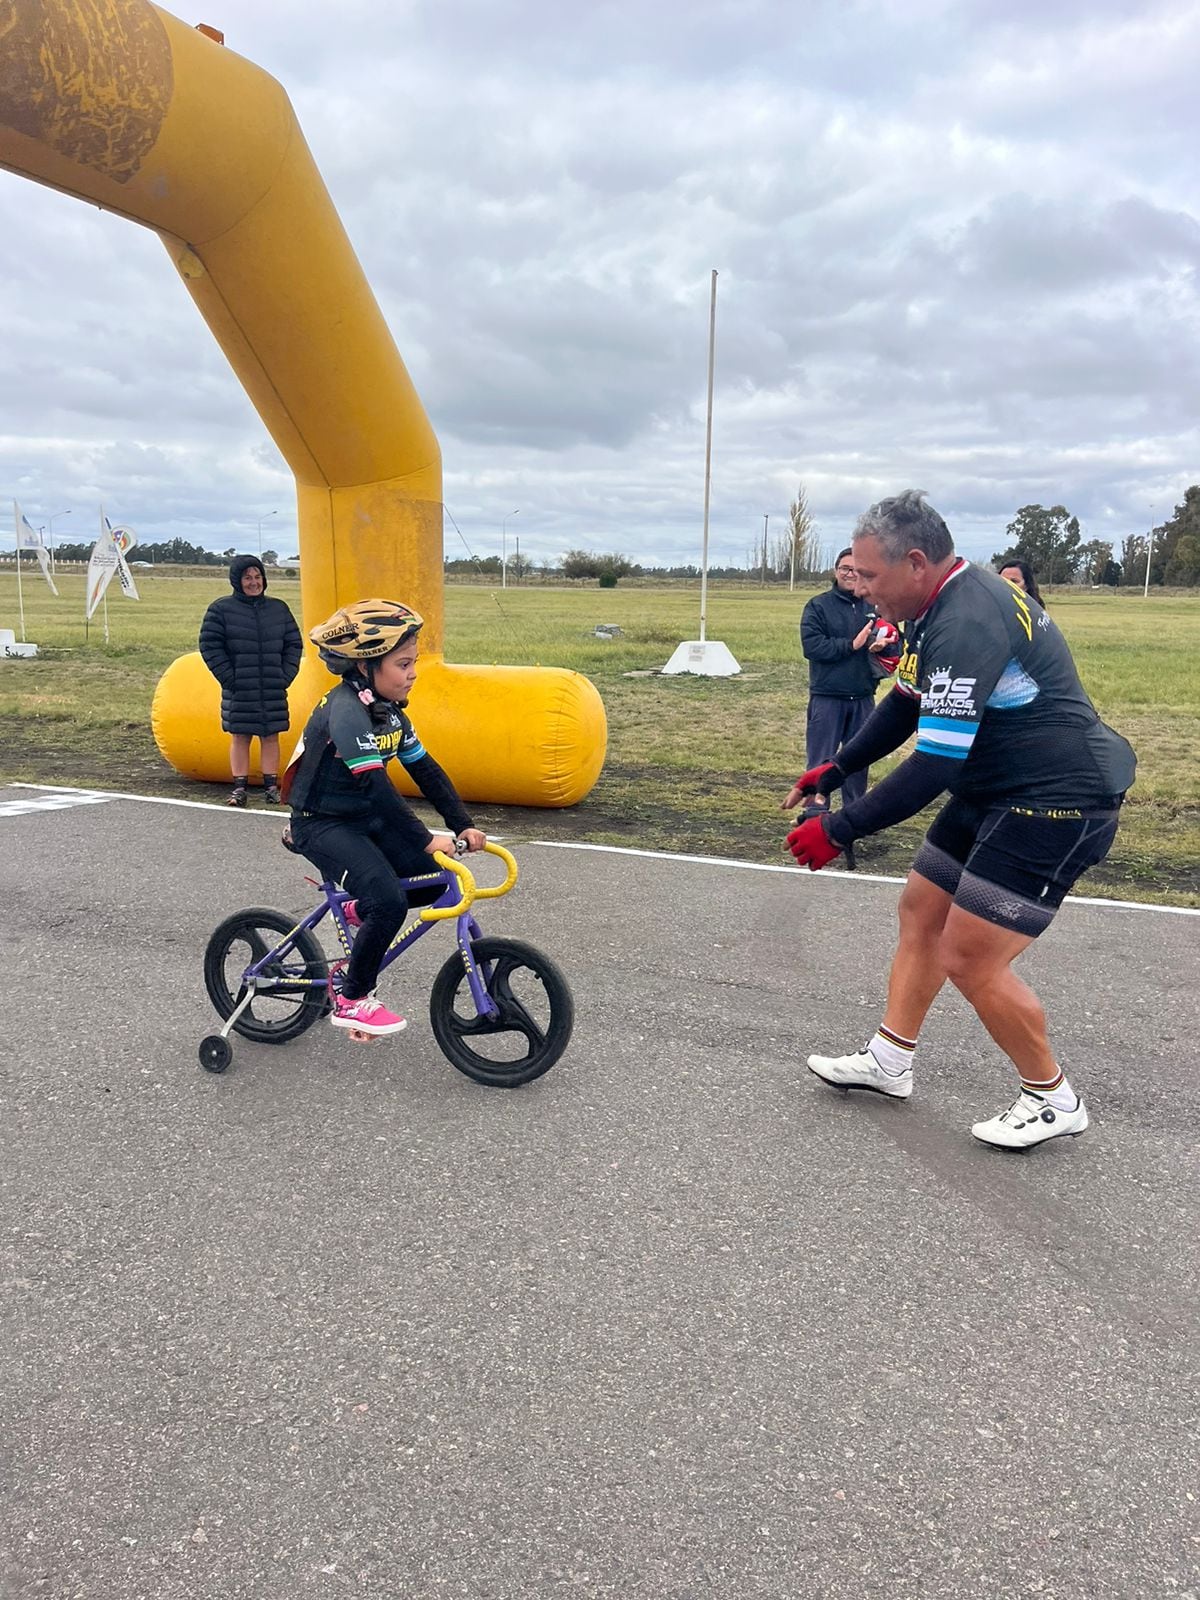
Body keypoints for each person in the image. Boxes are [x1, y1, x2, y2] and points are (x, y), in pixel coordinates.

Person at [783, 490, 1136, 1151]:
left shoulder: (967, 618)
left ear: (915, 562)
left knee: (969, 956)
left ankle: (1052, 1096)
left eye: (872, 578)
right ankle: (891, 1060)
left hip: (1054, 801)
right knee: (922, 908)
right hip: (994, 788)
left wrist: (839, 828)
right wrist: (832, 770)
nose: (864, 595)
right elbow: (905, 705)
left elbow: (935, 764)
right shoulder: (937, 603)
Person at [280, 598, 487, 1037]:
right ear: (366, 667)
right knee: (388, 900)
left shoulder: (387, 710)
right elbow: (377, 785)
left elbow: (424, 769)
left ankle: (357, 910)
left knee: (432, 879)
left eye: (414, 662)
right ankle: (352, 998)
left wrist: (460, 823)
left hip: (363, 817)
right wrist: (425, 837)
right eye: (403, 663)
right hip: (321, 824)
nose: (413, 672)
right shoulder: (347, 711)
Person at [199, 554, 303, 806]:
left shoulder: (279, 608)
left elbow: (293, 644)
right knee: (240, 735)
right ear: (237, 580)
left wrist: (284, 675)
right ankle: (239, 788)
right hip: (239, 687)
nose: (254, 582)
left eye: (257, 577)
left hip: (272, 685)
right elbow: (210, 646)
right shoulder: (221, 609)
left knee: (270, 735)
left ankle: (271, 787)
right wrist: (229, 679)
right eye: (247, 577)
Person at [799, 548, 879, 806]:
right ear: (836, 571)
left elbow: (895, 643)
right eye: (845, 568)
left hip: (863, 698)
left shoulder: (875, 605)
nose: (851, 573)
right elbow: (812, 647)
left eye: (857, 569)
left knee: (858, 764)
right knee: (820, 762)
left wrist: (885, 646)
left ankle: (853, 819)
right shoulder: (818, 606)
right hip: (828, 698)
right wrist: (851, 645)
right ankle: (813, 816)